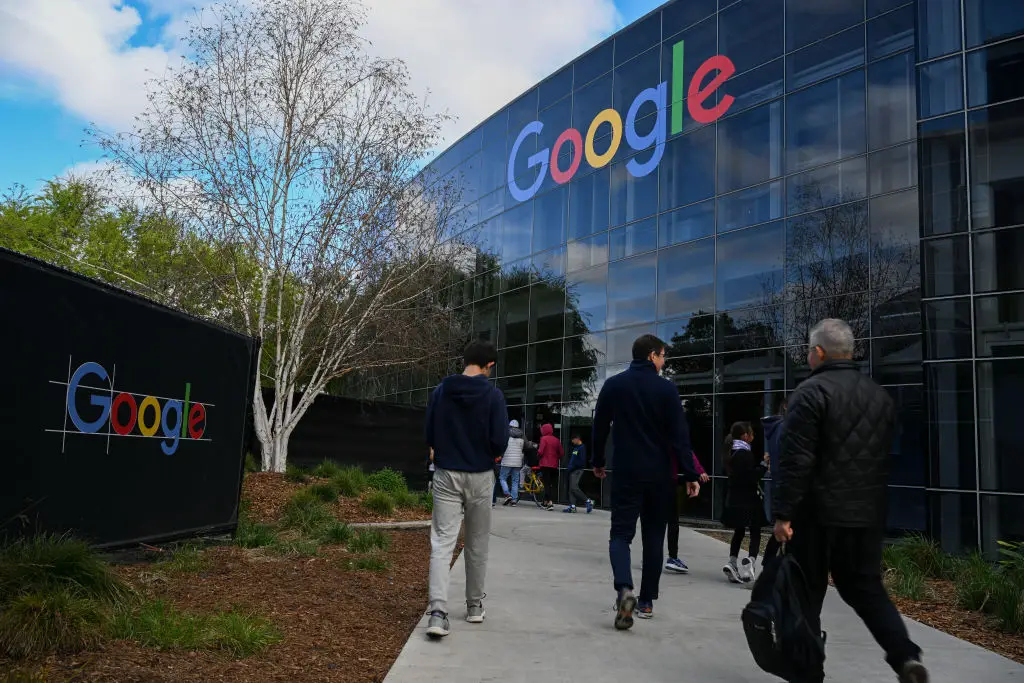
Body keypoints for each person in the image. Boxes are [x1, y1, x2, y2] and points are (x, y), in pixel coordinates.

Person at [773, 319, 928, 683]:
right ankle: (905, 656)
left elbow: (795, 461)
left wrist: (783, 514)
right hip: (866, 513)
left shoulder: (809, 393)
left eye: (809, 350)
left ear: (819, 353)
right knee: (866, 588)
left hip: (817, 515)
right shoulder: (879, 395)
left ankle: (808, 673)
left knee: (805, 594)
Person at [592, 334, 700, 628]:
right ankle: (647, 602)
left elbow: (599, 426)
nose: (664, 362)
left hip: (627, 472)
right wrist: (690, 473)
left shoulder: (614, 385)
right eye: (663, 356)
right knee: (654, 537)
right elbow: (680, 436)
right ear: (652, 355)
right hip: (660, 475)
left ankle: (624, 589)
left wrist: (598, 461)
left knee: (620, 535)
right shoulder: (667, 389)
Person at [423, 340, 509, 639]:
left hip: (447, 473)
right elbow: (500, 440)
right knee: (477, 543)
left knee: (442, 542)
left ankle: (437, 612)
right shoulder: (493, 396)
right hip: (480, 475)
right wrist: (488, 453)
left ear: (465, 361)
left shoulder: (441, 391)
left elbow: (429, 433)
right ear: (489, 365)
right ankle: (473, 606)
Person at [720, 422, 768, 584]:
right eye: (751, 433)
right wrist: (763, 465)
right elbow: (750, 476)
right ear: (745, 436)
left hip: (733, 499)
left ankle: (732, 561)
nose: (753, 436)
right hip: (748, 499)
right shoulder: (745, 454)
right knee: (755, 530)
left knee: (739, 531)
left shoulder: (730, 451)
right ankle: (750, 561)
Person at [664, 450, 710, 574]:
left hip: (647, 479)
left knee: (653, 521)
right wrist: (695, 472)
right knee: (672, 521)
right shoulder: (671, 438)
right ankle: (672, 557)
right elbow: (684, 450)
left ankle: (649, 556)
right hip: (667, 481)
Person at [760, 399, 786, 565]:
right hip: (787, 486)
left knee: (782, 529)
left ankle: (769, 564)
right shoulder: (784, 428)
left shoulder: (777, 428)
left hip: (781, 484)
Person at [498, 420, 525, 506]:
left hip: (506, 461)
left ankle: (507, 494)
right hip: (517, 462)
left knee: (502, 478)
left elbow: (501, 446)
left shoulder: (505, 435)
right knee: (515, 481)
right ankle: (514, 501)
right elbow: (526, 446)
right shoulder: (522, 436)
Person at [564, 434, 592, 514]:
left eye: (573, 440)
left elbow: (581, 461)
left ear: (577, 439)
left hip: (577, 470)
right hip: (572, 470)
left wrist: (572, 467)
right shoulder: (576, 448)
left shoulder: (582, 448)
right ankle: (572, 506)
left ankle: (588, 501)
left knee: (574, 487)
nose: (572, 441)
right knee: (571, 489)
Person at [537, 423, 563, 510]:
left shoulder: (543, 439)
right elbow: (561, 453)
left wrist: (538, 457)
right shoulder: (556, 440)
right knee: (550, 484)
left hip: (545, 465)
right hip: (554, 465)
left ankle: (550, 503)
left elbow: (540, 451)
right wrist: (556, 458)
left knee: (546, 484)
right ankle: (545, 502)